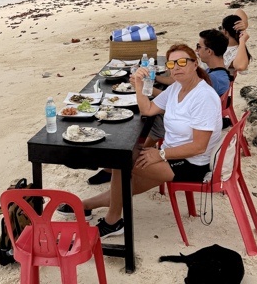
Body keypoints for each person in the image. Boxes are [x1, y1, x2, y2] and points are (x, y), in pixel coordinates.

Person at [59, 44, 223, 239]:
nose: (176, 67)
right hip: (171, 154)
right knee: (126, 181)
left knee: (121, 161)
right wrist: (138, 84)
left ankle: (112, 222)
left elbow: (199, 146)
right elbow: (148, 110)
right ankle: (85, 206)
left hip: (192, 164)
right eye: (172, 63)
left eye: (182, 62)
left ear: (195, 64)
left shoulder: (203, 97)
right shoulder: (177, 88)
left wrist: (160, 154)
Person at [195, 29, 231, 97]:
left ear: (209, 51)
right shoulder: (218, 74)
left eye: (199, 47)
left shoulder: (214, 78)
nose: (196, 50)